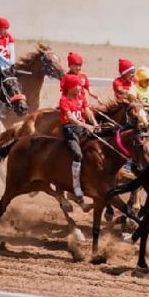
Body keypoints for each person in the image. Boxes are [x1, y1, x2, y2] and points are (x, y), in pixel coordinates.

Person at [59, 73, 99, 203]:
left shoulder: (81, 98)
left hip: (83, 128)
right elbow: (70, 118)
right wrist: (86, 125)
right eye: (77, 86)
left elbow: (87, 111)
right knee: (78, 155)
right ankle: (75, 187)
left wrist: (95, 123)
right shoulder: (64, 99)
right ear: (70, 87)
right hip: (70, 130)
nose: (79, 88)